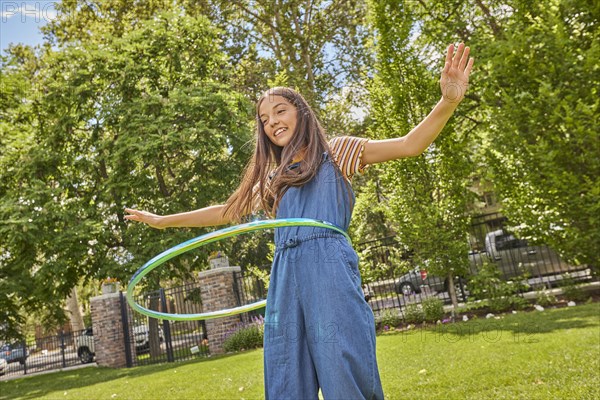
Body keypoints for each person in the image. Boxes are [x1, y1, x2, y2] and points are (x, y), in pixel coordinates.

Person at [125, 42, 474, 399]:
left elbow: (409, 145)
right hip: (285, 274)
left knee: (343, 365)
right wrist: (164, 221)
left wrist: (448, 101)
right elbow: (225, 212)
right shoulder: (274, 180)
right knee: (286, 375)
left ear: (301, 113)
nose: (272, 122)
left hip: (329, 269)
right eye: (264, 119)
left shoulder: (337, 152)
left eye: (280, 111)